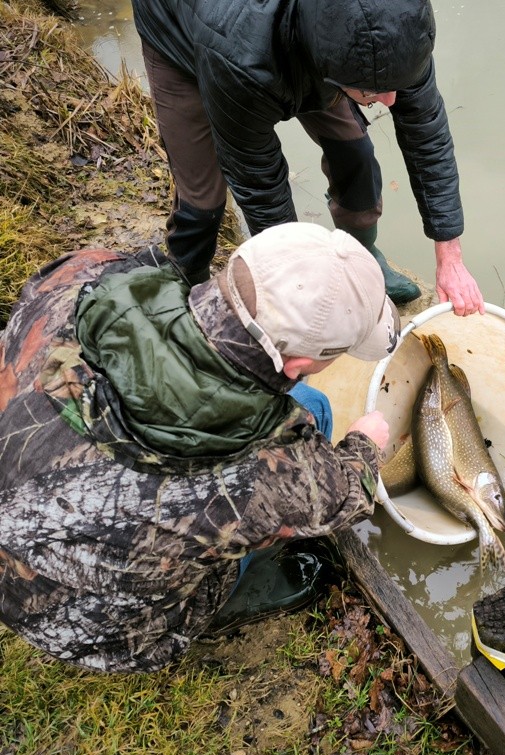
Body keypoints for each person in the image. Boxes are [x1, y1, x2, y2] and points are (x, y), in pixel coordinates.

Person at [0, 222, 397, 673]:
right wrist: (367, 443)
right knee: (315, 406)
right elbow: (349, 494)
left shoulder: (82, 275)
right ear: (300, 363)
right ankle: (226, 600)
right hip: (83, 631)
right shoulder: (270, 467)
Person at [131, 0, 486, 316]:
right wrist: (299, 289)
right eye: (373, 91)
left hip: (318, 47)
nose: (391, 100)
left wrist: (449, 255)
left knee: (355, 152)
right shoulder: (241, 58)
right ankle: (184, 283)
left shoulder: (399, 30)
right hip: (185, 38)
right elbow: (260, 184)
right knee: (203, 196)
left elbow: (427, 134)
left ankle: (363, 256)